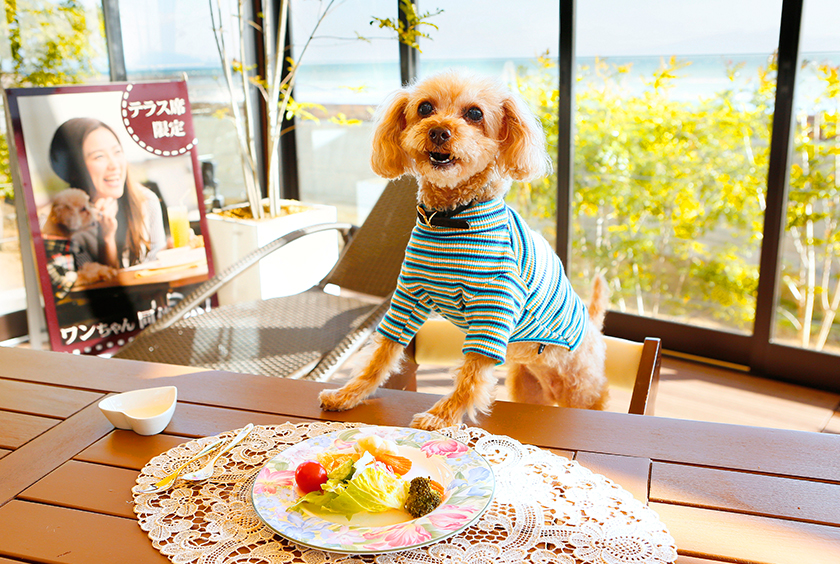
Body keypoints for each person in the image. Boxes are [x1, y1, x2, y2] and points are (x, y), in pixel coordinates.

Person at [49, 117, 166, 269]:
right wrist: (106, 238)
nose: (114, 165)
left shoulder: (146, 201)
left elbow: (159, 266)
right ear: (74, 170)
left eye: (117, 152)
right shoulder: (65, 221)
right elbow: (100, 284)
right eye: (99, 156)